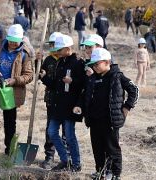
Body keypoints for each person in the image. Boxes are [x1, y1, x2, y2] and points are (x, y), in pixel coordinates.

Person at [74, 48, 139, 180]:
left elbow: (134, 90)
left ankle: (115, 173)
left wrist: (127, 107)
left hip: (110, 120)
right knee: (97, 148)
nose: (95, 67)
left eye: (97, 64)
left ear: (107, 62)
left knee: (112, 148)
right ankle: (101, 171)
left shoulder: (117, 76)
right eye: (93, 64)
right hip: (94, 120)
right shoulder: (92, 78)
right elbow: (84, 94)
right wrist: (79, 106)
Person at [0, 24, 33, 159]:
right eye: (10, 39)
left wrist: (14, 80)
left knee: (10, 122)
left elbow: (29, 75)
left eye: (15, 40)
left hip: (11, 92)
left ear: (21, 40)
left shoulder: (25, 54)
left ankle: (10, 150)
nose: (12, 42)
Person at [40, 34, 85, 172]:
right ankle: (65, 160)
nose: (57, 52)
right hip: (57, 105)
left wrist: (73, 82)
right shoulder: (60, 62)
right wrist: (44, 78)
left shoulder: (78, 62)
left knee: (70, 136)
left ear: (68, 48)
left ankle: (76, 164)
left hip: (70, 105)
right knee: (52, 131)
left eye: (60, 50)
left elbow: (85, 85)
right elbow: (55, 84)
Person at [36, 32, 67, 170]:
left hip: (66, 100)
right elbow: (39, 74)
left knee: (67, 130)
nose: (53, 47)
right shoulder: (48, 60)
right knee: (51, 129)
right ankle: (49, 155)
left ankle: (66, 158)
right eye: (52, 44)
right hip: (51, 99)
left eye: (55, 45)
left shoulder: (68, 60)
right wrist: (37, 61)